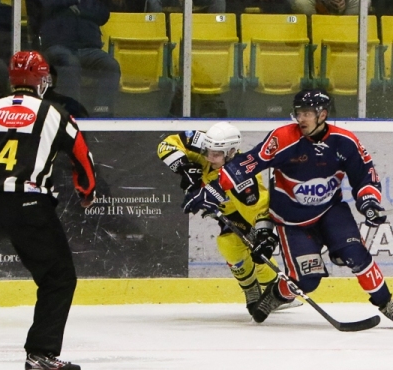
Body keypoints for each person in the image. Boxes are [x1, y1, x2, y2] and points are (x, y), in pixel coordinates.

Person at [0, 50, 96, 370]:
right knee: (57, 278)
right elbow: (82, 159)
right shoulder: (56, 114)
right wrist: (87, 193)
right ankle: (41, 358)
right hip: (30, 205)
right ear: (42, 80)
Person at [187, 89, 393, 324]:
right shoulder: (283, 138)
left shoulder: (344, 141)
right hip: (292, 221)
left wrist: (368, 202)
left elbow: (365, 174)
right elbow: (247, 163)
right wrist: (212, 190)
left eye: (307, 113)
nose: (301, 118)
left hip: (330, 211)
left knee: (356, 255)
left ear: (322, 114)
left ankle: (387, 303)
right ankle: (274, 295)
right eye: (298, 112)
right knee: (307, 280)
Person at [159, 122, 298, 316]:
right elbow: (166, 145)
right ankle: (253, 289)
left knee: (235, 246)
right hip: (226, 212)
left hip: (244, 215)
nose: (209, 157)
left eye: (216, 154)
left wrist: (263, 233)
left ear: (231, 152)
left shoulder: (244, 178)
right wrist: (184, 168)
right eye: (207, 151)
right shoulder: (206, 145)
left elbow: (260, 209)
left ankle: (272, 289)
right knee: (232, 247)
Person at [25, 0, 121, 117]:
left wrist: (72, 9)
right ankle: (73, 113)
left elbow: (102, 15)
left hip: (88, 48)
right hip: (55, 47)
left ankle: (102, 113)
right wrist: (77, 3)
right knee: (69, 62)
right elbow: (47, 6)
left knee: (110, 65)